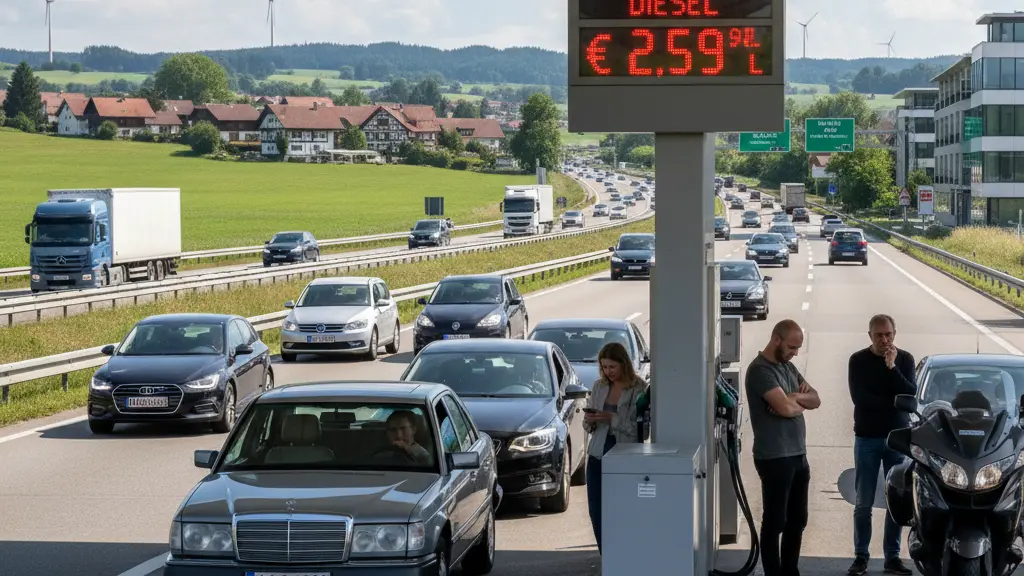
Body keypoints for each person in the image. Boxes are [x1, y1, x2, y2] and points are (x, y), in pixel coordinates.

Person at [745, 319, 820, 576]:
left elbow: (816, 399)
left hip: (798, 454)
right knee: (775, 522)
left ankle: (790, 571)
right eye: (791, 347)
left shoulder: (788, 368)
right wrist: (792, 404)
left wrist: (793, 397)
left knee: (797, 520)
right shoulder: (760, 370)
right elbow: (786, 409)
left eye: (798, 348)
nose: (795, 353)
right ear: (776, 338)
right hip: (775, 457)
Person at [846, 314, 916, 576]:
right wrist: (892, 401)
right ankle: (861, 556)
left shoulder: (905, 360)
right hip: (867, 437)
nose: (884, 340)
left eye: (888, 334)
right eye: (879, 335)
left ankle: (892, 557)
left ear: (895, 334)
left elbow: (909, 395)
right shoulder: (858, 360)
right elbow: (860, 399)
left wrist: (892, 368)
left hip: (897, 438)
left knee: (895, 501)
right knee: (863, 501)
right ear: (870, 336)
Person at [583, 341, 649, 554]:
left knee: (624, 509)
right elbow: (588, 426)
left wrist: (612, 418)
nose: (608, 371)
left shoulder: (639, 388)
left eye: (612, 367)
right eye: (604, 367)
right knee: (597, 510)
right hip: (597, 454)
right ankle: (606, 554)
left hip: (625, 455)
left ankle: (626, 554)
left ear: (624, 364)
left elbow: (641, 430)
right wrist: (591, 419)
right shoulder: (599, 386)